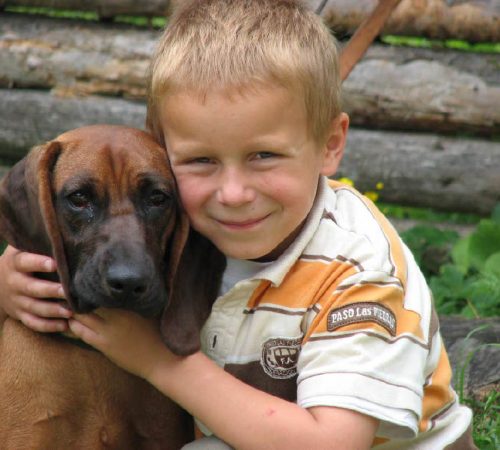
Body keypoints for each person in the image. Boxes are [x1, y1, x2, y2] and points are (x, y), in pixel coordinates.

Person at [0, 0, 475, 448]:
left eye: (263, 155)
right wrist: (9, 282)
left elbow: (332, 443)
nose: (233, 193)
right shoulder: (200, 219)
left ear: (330, 144)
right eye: (202, 160)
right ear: (165, 151)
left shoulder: (360, 272)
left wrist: (158, 363)